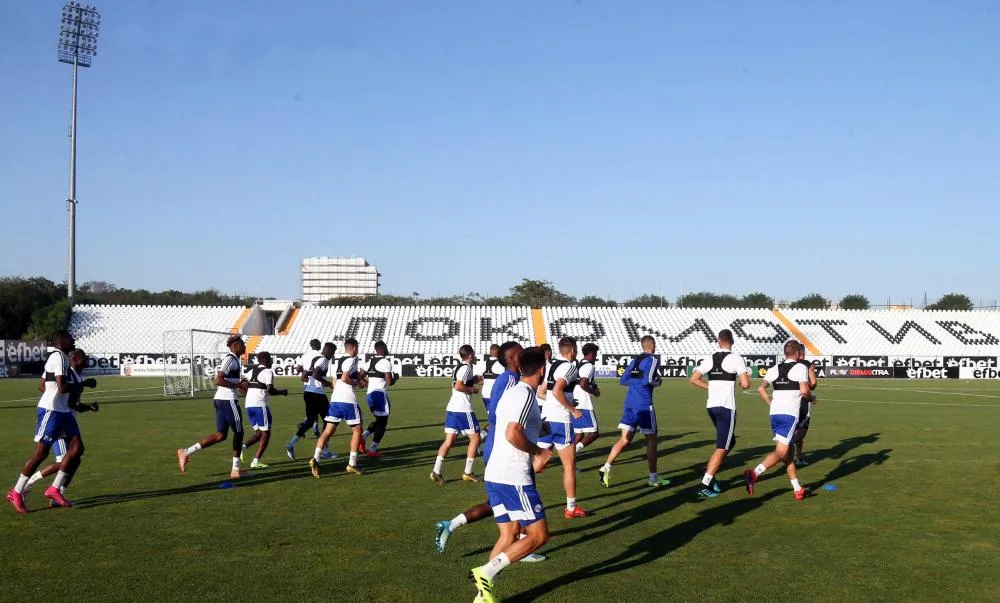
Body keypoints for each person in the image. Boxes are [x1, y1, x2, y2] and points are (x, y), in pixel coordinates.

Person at [434, 341, 547, 562]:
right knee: (516, 508)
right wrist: (536, 450)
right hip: (506, 452)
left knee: (501, 511)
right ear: (512, 359)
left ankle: (489, 568)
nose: (521, 356)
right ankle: (525, 544)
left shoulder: (513, 382)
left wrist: (535, 424)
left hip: (504, 452)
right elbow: (501, 418)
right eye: (517, 354)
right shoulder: (512, 382)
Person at [469, 346, 550, 603]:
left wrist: (542, 427)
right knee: (538, 535)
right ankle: (487, 570)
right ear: (542, 369)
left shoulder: (511, 392)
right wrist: (538, 452)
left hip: (495, 473)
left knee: (509, 534)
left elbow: (510, 424)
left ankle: (482, 597)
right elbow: (512, 433)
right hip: (513, 476)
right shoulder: (525, 394)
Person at [8, 331, 87, 512]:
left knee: (77, 449)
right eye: (70, 337)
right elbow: (62, 387)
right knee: (41, 454)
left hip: (63, 411)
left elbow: (44, 384)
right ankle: (17, 491)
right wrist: (83, 385)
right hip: (51, 410)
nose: (73, 340)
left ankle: (54, 488)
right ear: (62, 341)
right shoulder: (58, 357)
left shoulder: (62, 359)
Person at [20, 347, 99, 508]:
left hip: (65, 417)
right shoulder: (65, 371)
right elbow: (65, 399)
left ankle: (58, 493)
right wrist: (58, 396)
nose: (86, 361)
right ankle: (30, 484)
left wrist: (87, 406)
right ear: (75, 359)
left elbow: (44, 387)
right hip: (59, 419)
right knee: (64, 460)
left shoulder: (69, 373)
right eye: (83, 358)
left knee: (75, 458)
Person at [598, 335, 670, 488]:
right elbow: (649, 380)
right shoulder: (652, 360)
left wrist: (636, 382)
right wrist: (658, 382)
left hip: (630, 404)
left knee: (624, 439)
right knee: (651, 440)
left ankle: (606, 467)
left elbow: (623, 380)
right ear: (652, 346)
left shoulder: (635, 360)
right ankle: (653, 477)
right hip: (644, 405)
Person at [743, 340, 812, 500]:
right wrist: (811, 397)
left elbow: (761, 388)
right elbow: (804, 390)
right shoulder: (800, 367)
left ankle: (797, 489)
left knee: (786, 453)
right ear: (796, 353)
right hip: (789, 414)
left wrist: (771, 403)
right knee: (781, 451)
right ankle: (753, 473)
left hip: (775, 413)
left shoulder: (774, 368)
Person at [689, 329, 750, 498]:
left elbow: (693, 379)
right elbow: (745, 384)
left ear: (718, 341)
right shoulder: (735, 358)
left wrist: (711, 387)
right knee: (723, 446)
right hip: (726, 407)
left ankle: (711, 472)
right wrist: (742, 383)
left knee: (730, 442)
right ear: (732, 341)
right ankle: (705, 482)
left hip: (712, 406)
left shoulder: (710, 358)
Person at [177, 335, 247, 479]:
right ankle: (235, 470)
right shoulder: (230, 359)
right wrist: (238, 385)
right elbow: (218, 380)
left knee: (220, 435)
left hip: (221, 400)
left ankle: (186, 452)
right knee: (239, 433)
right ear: (235, 346)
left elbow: (226, 379)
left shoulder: (234, 359)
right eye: (242, 344)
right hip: (228, 400)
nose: (244, 346)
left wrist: (239, 385)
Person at [535, 337, 588, 518]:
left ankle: (515, 489)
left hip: (546, 419)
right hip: (561, 422)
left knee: (538, 463)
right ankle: (571, 508)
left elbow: (542, 392)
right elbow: (557, 391)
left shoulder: (552, 366)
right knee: (569, 466)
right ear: (572, 350)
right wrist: (572, 409)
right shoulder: (571, 367)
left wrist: (559, 402)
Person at [310, 338, 367, 477]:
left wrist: (359, 380)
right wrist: (357, 383)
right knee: (357, 431)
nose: (358, 350)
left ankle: (316, 458)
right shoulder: (352, 360)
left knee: (328, 431)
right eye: (357, 347)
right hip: (348, 401)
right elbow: (345, 378)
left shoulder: (339, 361)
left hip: (335, 400)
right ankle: (351, 464)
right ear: (353, 347)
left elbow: (336, 380)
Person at [430, 345, 483, 485]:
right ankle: (468, 472)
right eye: (474, 352)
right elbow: (459, 386)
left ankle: (436, 471)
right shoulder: (467, 367)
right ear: (470, 354)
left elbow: (463, 381)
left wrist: (477, 380)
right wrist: (473, 389)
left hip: (453, 408)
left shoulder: (460, 367)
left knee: (449, 441)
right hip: (463, 410)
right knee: (476, 439)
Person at [287, 342, 337, 460]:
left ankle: (291, 444)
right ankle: (324, 450)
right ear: (328, 351)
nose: (332, 355)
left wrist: (312, 379)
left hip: (308, 392)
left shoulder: (316, 359)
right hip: (317, 394)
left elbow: (305, 375)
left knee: (310, 421)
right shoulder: (324, 360)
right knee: (329, 421)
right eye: (332, 352)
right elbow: (315, 374)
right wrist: (328, 383)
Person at [240, 351, 288, 469]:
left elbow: (241, 386)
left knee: (259, 433)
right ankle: (256, 461)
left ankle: (242, 448)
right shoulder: (268, 372)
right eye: (270, 359)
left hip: (249, 405)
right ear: (265, 360)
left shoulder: (251, 371)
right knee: (266, 433)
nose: (271, 361)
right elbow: (270, 390)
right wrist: (282, 392)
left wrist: (251, 393)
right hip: (260, 406)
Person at [360, 341, 396, 457]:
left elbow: (359, 375)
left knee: (379, 420)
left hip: (370, 395)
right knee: (382, 423)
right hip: (380, 395)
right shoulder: (385, 362)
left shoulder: (369, 361)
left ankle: (362, 437)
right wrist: (396, 378)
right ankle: (372, 450)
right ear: (383, 349)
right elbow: (389, 382)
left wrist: (366, 384)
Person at [792, 342, 818, 465]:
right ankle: (785, 449)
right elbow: (813, 384)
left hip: (787, 401)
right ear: (802, 353)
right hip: (803, 401)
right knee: (801, 431)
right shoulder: (807, 365)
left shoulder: (787, 364)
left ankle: (799, 457)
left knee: (793, 429)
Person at [573, 343, 601, 452]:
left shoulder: (577, 365)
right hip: (583, 403)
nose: (596, 357)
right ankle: (572, 450)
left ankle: (570, 461)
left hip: (574, 402)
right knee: (594, 433)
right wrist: (594, 392)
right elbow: (583, 384)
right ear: (591, 354)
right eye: (595, 354)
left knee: (579, 435)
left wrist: (591, 386)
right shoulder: (589, 366)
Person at [295, 339, 325, 438]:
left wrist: (306, 372)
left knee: (313, 409)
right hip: (318, 385)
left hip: (307, 385)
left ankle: (314, 430)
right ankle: (308, 426)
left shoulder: (305, 355)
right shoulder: (321, 356)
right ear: (318, 345)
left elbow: (298, 368)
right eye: (320, 344)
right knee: (319, 410)